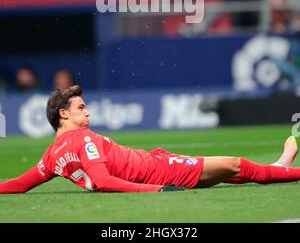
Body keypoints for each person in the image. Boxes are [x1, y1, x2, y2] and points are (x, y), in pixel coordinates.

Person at [0, 85, 299, 194]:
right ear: (63, 114)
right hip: (160, 170)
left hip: (154, 163)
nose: (87, 111)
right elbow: (103, 181)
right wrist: (159, 189)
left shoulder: (53, 156)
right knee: (235, 165)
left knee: (222, 173)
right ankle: (284, 168)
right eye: (81, 107)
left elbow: (20, 184)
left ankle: (279, 166)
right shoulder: (83, 139)